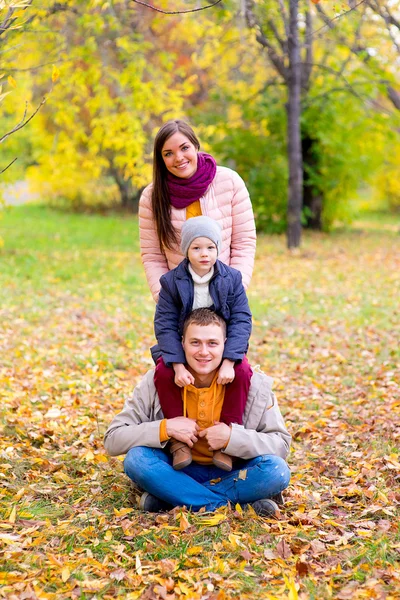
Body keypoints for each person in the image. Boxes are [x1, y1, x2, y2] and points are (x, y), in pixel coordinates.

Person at [104, 309, 291, 516]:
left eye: (212, 343)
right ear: (182, 343)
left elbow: (280, 445)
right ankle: (237, 506)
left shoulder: (254, 384)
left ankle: (174, 499)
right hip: (177, 471)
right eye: (195, 343)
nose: (203, 352)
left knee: (276, 470)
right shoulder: (157, 381)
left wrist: (232, 438)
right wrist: (165, 428)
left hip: (236, 471)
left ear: (226, 344)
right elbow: (113, 439)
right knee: (137, 459)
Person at [152, 216, 253, 473]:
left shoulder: (231, 279)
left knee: (241, 373)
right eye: (196, 248)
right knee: (163, 373)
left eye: (210, 247)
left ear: (218, 249)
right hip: (184, 347)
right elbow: (165, 323)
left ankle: (226, 438)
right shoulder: (172, 282)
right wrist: (176, 364)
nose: (204, 254)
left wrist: (230, 360)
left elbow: (242, 319)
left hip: (220, 348)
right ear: (185, 250)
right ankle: (179, 440)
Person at [139, 119, 256, 302]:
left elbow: (244, 243)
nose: (178, 158)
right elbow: (153, 255)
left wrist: (234, 290)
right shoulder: (152, 196)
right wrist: (165, 297)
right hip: (179, 300)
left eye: (184, 148)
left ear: (196, 146)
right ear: (161, 159)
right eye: (168, 153)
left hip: (225, 296)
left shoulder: (230, 182)